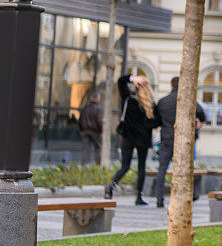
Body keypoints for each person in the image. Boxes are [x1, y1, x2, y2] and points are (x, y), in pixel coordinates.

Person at [153, 76, 206, 208]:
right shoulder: (188, 100)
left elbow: (156, 121)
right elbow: (202, 115)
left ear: (171, 86)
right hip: (182, 140)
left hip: (166, 139)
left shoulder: (163, 101)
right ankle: (187, 196)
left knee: (162, 169)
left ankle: (159, 199)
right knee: (184, 169)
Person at [105, 74, 158, 205]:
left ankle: (110, 187)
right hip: (143, 139)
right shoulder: (150, 105)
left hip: (128, 137)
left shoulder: (128, 98)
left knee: (125, 166)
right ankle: (139, 197)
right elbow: (155, 123)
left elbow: (120, 81)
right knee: (141, 168)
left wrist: (132, 78)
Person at [79, 92, 103, 165]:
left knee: (85, 149)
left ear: (91, 99)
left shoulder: (85, 107)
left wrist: (81, 129)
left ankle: (84, 165)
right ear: (98, 99)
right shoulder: (99, 108)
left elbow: (80, 119)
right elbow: (99, 120)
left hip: (85, 130)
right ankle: (98, 165)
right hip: (95, 131)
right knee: (97, 148)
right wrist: (101, 130)